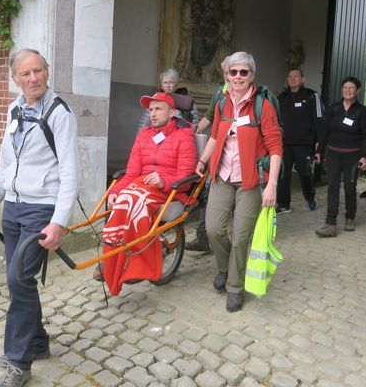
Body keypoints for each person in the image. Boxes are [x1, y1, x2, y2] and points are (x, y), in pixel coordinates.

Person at [0, 49, 79, 387]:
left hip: (42, 209)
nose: (33, 78)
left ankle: (19, 362)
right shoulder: (15, 109)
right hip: (15, 207)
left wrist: (59, 221)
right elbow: (6, 164)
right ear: (15, 78)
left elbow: (70, 172)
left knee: (19, 279)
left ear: (47, 72)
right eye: (26, 73)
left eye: (38, 71)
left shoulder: (59, 113)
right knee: (17, 278)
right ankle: (37, 341)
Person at [196, 51, 283, 312]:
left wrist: (272, 185)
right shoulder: (222, 102)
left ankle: (235, 287)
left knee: (241, 237)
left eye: (243, 72)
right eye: (233, 72)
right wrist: (202, 161)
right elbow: (214, 136)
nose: (238, 76)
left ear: (252, 75)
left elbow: (276, 146)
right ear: (226, 75)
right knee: (213, 229)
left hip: (250, 182)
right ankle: (224, 268)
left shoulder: (262, 105)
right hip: (222, 176)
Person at [97, 92, 197, 295]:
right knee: (122, 200)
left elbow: (186, 175)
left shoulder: (184, 135)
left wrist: (163, 181)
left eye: (158, 109)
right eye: (150, 110)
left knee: (133, 201)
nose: (152, 113)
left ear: (172, 112)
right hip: (140, 185)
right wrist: (115, 191)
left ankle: (136, 263)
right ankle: (113, 260)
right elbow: (132, 172)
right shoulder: (144, 135)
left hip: (168, 189)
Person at [314, 76, 366, 237]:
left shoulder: (362, 111)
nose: (347, 90)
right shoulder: (333, 108)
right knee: (332, 186)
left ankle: (350, 217)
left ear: (357, 91)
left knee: (349, 187)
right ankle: (330, 222)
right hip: (333, 153)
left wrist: (364, 157)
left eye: (351, 88)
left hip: (352, 155)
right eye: (345, 87)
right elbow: (325, 132)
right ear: (341, 89)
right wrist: (319, 151)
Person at [186, 59, 230, 253]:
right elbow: (209, 117)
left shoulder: (252, 95)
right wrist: (191, 132)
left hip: (236, 155)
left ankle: (232, 240)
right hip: (217, 149)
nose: (229, 75)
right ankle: (203, 236)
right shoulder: (221, 92)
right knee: (207, 191)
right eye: (226, 72)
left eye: (234, 71)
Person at [276, 67, 324, 214]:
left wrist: (318, 146)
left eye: (296, 76)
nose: (293, 79)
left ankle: (310, 197)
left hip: (304, 144)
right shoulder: (281, 98)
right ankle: (284, 204)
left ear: (303, 79)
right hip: (285, 144)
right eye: (290, 76)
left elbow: (319, 120)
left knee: (304, 173)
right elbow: (275, 121)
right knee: (283, 175)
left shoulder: (311, 96)